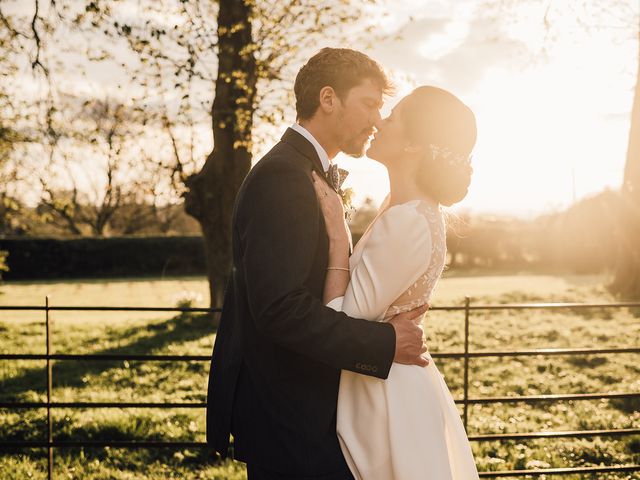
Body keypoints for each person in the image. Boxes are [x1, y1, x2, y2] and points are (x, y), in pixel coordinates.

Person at [206, 48, 430, 479]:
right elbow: (279, 309)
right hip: (289, 415)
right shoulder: (284, 178)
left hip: (305, 409)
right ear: (328, 99)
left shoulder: (304, 171)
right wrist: (384, 343)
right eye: (369, 103)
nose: (377, 120)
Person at [312, 85, 480, 479]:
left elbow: (341, 322)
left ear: (414, 146)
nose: (380, 120)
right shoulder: (409, 211)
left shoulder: (408, 220)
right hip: (392, 379)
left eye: (394, 115)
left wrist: (337, 233)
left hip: (385, 397)